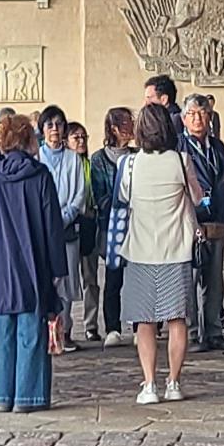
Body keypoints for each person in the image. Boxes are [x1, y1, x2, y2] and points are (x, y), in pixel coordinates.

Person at [110, 102, 201, 402]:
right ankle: (174, 382)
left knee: (144, 321)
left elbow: (123, 197)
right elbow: (197, 197)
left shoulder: (130, 164)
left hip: (140, 250)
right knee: (177, 319)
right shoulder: (181, 160)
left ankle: (149, 384)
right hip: (176, 249)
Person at [0, 111, 70, 412]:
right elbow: (52, 225)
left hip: (1, 259)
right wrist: (58, 268)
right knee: (31, 329)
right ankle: (28, 395)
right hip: (34, 258)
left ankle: (3, 395)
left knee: (3, 329)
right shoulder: (40, 175)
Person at [183, 93, 224, 350]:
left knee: (215, 281)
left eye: (203, 113)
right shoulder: (178, 147)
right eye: (192, 114)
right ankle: (193, 333)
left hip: (217, 221)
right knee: (190, 280)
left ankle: (214, 330)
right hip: (191, 222)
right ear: (184, 119)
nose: (198, 119)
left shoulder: (218, 147)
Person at [36, 108, 87, 345]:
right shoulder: (37, 157)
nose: (55, 129)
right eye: (50, 125)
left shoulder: (73, 158)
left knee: (67, 282)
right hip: (42, 230)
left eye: (59, 124)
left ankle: (64, 332)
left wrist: (64, 217)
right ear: (42, 129)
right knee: (46, 281)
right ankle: (45, 332)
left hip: (67, 229)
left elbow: (80, 193)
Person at [91, 107, 136, 341]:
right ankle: (112, 328)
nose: (131, 127)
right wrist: (121, 203)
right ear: (114, 129)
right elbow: (99, 195)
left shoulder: (138, 155)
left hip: (137, 224)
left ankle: (140, 325)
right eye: (126, 123)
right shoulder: (99, 159)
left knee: (138, 278)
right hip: (112, 225)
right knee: (113, 278)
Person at [64, 121, 102, 341]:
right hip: (69, 224)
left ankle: (91, 324)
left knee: (90, 277)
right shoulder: (66, 165)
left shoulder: (90, 164)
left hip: (88, 223)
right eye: (75, 137)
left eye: (83, 137)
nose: (81, 141)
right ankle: (65, 326)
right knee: (68, 278)